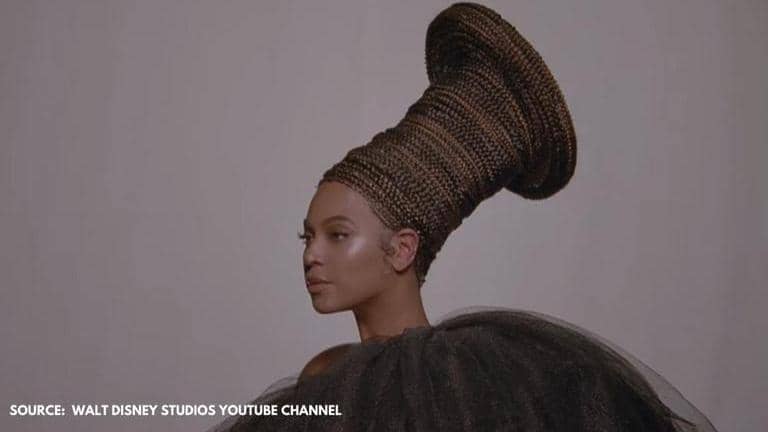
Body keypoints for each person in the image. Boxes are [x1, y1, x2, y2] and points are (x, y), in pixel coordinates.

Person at [210, 3, 717, 431]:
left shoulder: (486, 384)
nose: (311, 256)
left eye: (338, 235)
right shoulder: (328, 377)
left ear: (402, 249)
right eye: (307, 236)